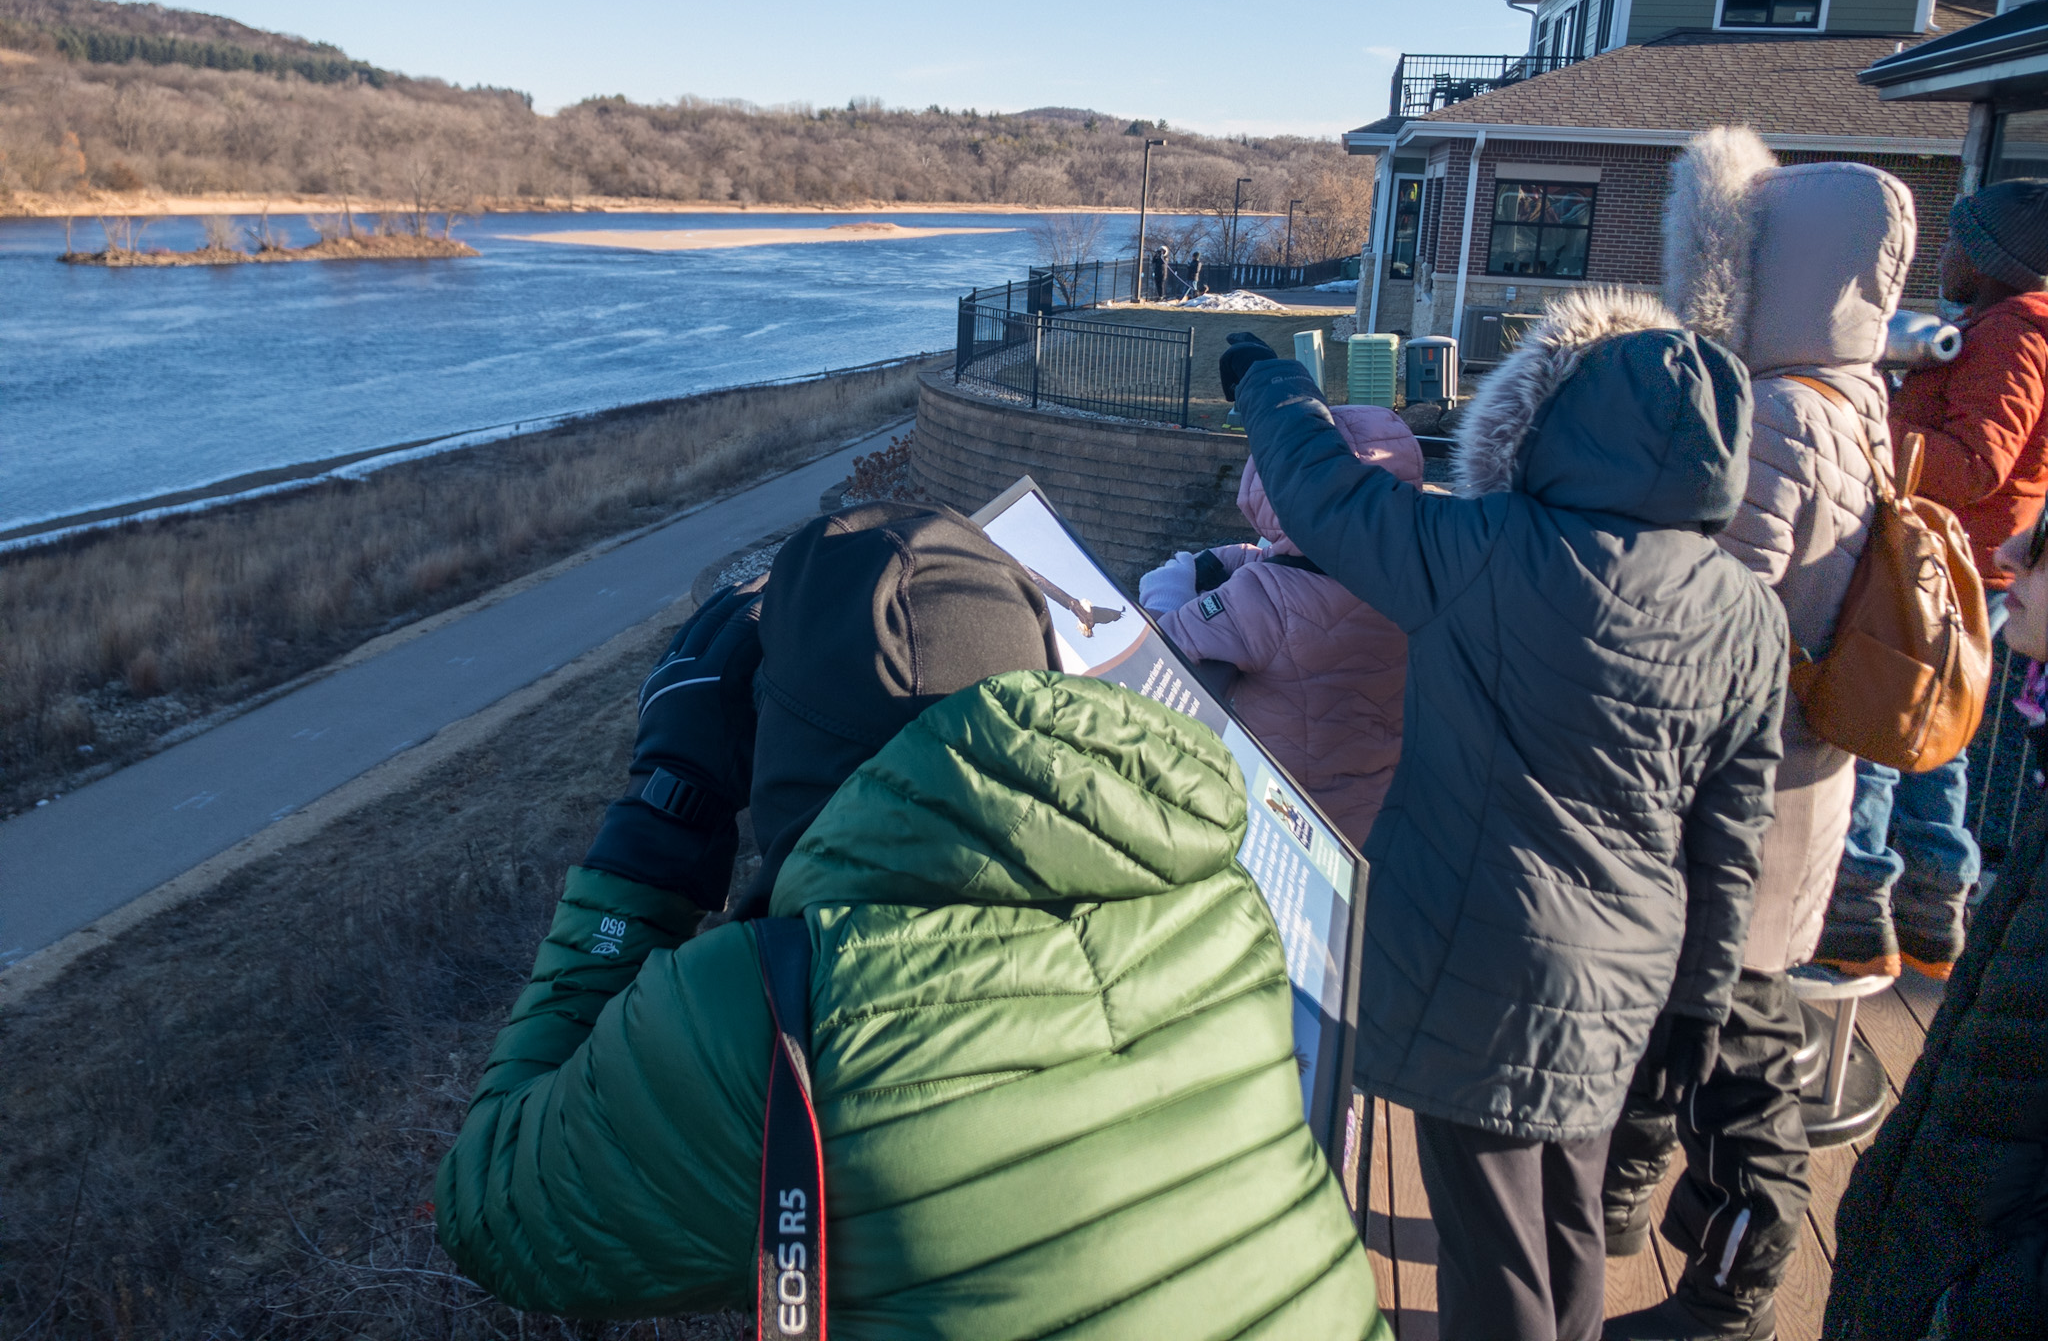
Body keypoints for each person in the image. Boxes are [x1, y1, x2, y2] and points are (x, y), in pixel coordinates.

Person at [435, 502, 1383, 1339]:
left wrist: (662, 815)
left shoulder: (769, 1012)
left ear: (784, 750)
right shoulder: (1209, 891)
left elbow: (493, 1212)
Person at [1220, 289, 1786, 1341]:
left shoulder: (1478, 549)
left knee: (1491, 1259)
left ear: (1557, 427)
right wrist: (1698, 1007)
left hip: (1468, 969)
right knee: (1565, 1225)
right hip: (1623, 983)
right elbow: (1729, 841)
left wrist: (1273, 383)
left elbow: (1324, 497)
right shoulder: (1746, 613)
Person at [1601, 131, 1917, 1341]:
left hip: (1747, 780)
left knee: (1737, 1032)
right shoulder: (1857, 397)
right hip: (1796, 765)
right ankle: (1625, 1198)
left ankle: (1735, 1282)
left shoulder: (1780, 410)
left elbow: (1716, 597)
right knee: (1691, 998)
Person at [1822, 504, 2048, 1340]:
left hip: (1957, 1278)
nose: (2015, 547)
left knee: (1901, 735)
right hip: (1941, 1244)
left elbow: (1988, 455)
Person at [1819, 178, 2048, 982]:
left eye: (1953, 242)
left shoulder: (2013, 335)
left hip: (1943, 565)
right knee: (1935, 741)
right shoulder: (1999, 329)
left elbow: (1979, 462)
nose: (1940, 257)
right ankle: (1930, 915)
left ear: (1988, 259)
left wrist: (1873, 425)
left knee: (1886, 727)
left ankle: (1852, 919)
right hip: (1966, 564)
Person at [1137, 404, 1423, 846]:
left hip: (1286, 820)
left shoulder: (1266, 599)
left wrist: (1166, 590)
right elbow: (1316, 567)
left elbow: (1157, 657)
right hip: (1378, 811)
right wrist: (1249, 557)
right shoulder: (1418, 574)